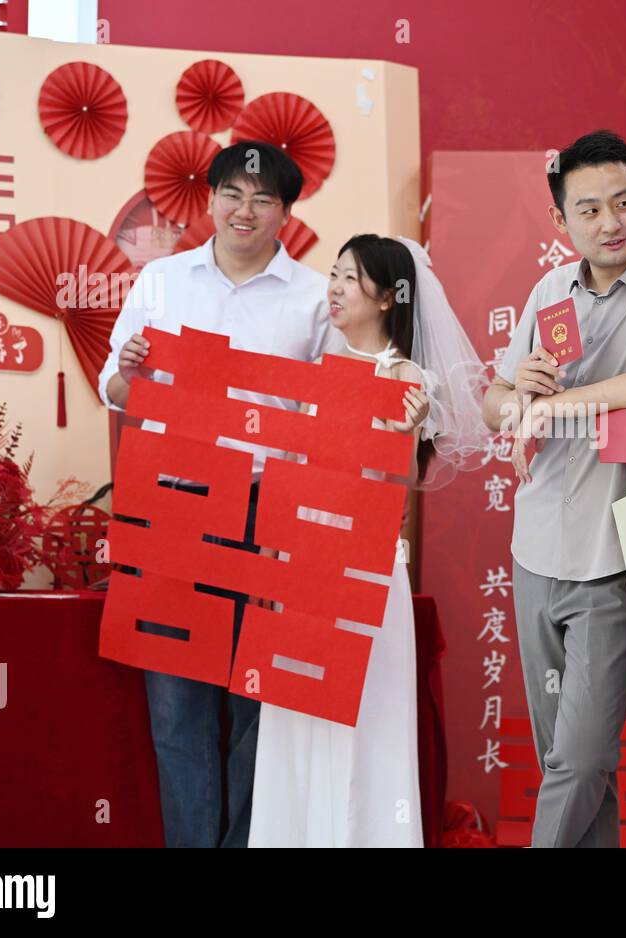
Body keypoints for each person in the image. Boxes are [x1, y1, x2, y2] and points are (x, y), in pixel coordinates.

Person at [99, 141, 355, 847]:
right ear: (208, 199)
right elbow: (117, 391)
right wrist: (131, 372)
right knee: (176, 708)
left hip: (268, 512)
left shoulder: (313, 297)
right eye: (233, 195)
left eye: (263, 198)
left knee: (257, 707)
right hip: (173, 506)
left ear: (286, 212)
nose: (245, 211)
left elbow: (334, 411)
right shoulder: (162, 281)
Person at [482, 130, 626, 847]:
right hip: (536, 547)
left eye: (623, 202)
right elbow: (495, 402)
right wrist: (517, 395)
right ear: (562, 222)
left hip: (616, 550)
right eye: (588, 210)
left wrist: (551, 407)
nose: (609, 222)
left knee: (579, 759)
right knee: (574, 763)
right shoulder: (550, 290)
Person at [249, 234, 488, 847]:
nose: (332, 288)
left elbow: (403, 479)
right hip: (302, 558)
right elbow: (293, 469)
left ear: (387, 297)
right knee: (296, 718)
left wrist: (403, 431)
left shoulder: (405, 375)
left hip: (362, 565)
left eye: (348, 278)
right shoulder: (321, 370)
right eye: (332, 275)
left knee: (360, 720)